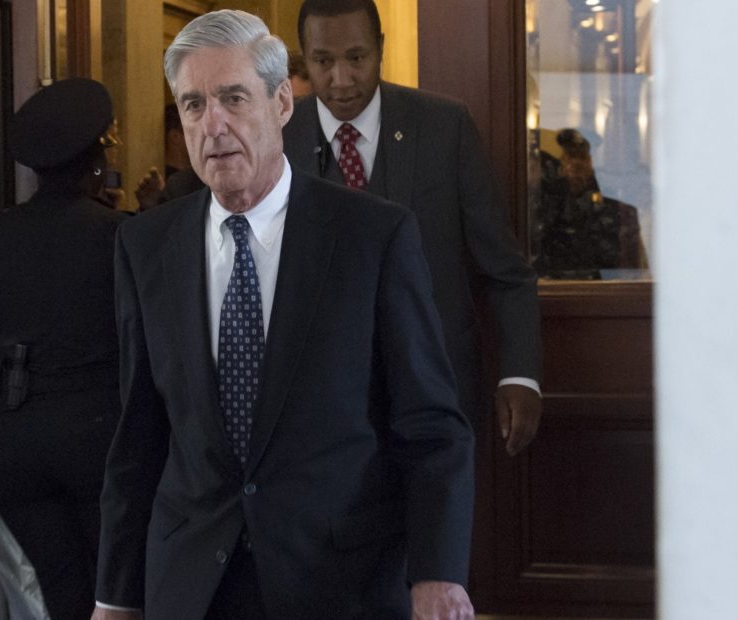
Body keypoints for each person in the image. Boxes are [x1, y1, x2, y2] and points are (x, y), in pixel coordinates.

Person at [92, 10, 474, 620]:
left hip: (337, 580)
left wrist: (437, 573)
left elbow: (430, 425)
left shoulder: (372, 237)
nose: (212, 124)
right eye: (193, 106)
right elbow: (138, 436)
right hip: (192, 584)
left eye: (232, 98)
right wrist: (115, 595)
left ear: (280, 104)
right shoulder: (146, 246)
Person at [283, 0, 542, 456]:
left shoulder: (445, 127)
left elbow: (506, 271)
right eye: (323, 62)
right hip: (316, 418)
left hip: (436, 401)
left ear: (380, 49)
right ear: (304, 57)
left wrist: (519, 373)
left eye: (357, 58)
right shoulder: (276, 140)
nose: (341, 79)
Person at [0, 78, 127, 620]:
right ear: (94, 163)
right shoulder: (122, 236)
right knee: (114, 589)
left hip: (15, 440)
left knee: (55, 590)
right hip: (102, 438)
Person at [531, 128, 645, 279]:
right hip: (555, 288)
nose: (576, 164)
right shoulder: (547, 204)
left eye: (582, 157)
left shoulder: (615, 207)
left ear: (592, 163)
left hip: (602, 290)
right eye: (570, 157)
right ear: (561, 164)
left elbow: (629, 267)